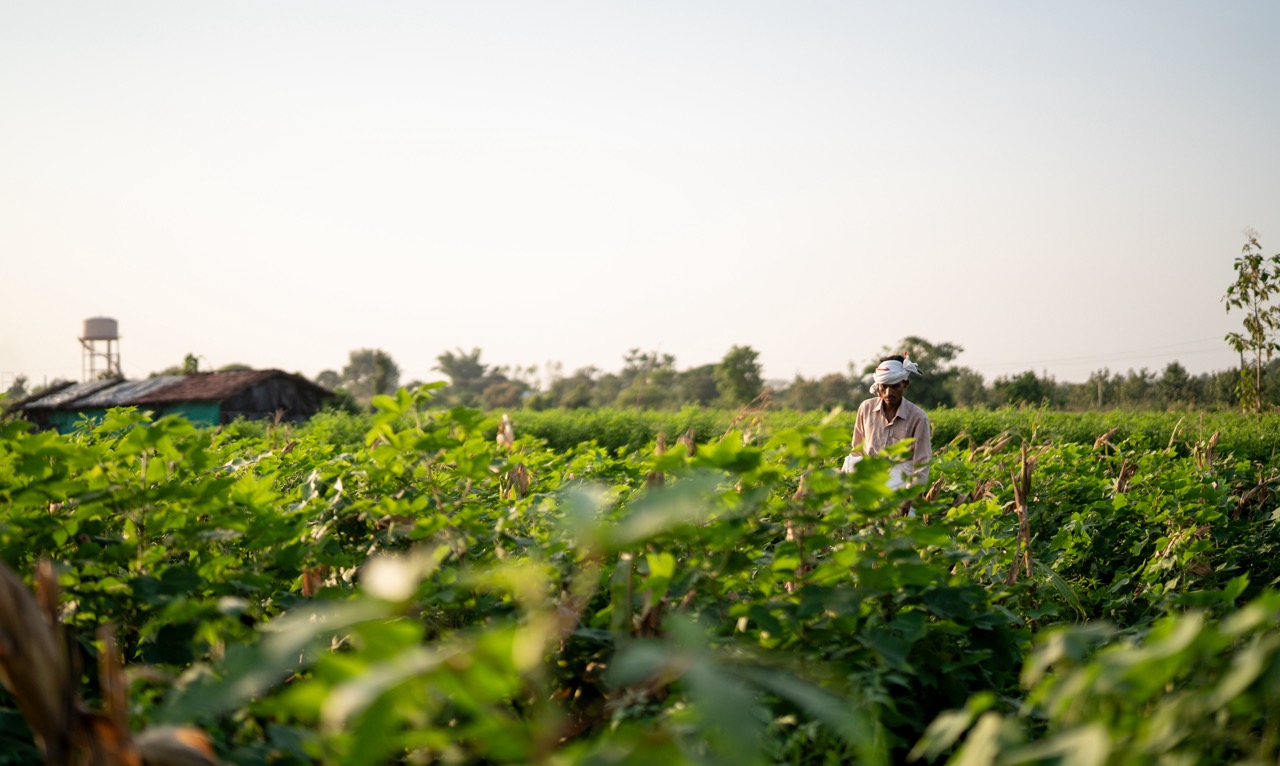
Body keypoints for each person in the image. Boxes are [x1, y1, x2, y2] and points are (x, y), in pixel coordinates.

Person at [843, 354, 932, 493]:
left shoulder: (918, 418)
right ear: (878, 386)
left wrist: (909, 496)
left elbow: (921, 464)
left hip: (901, 483)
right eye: (884, 387)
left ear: (905, 384)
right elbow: (857, 451)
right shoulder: (866, 409)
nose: (889, 393)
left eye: (895, 386)